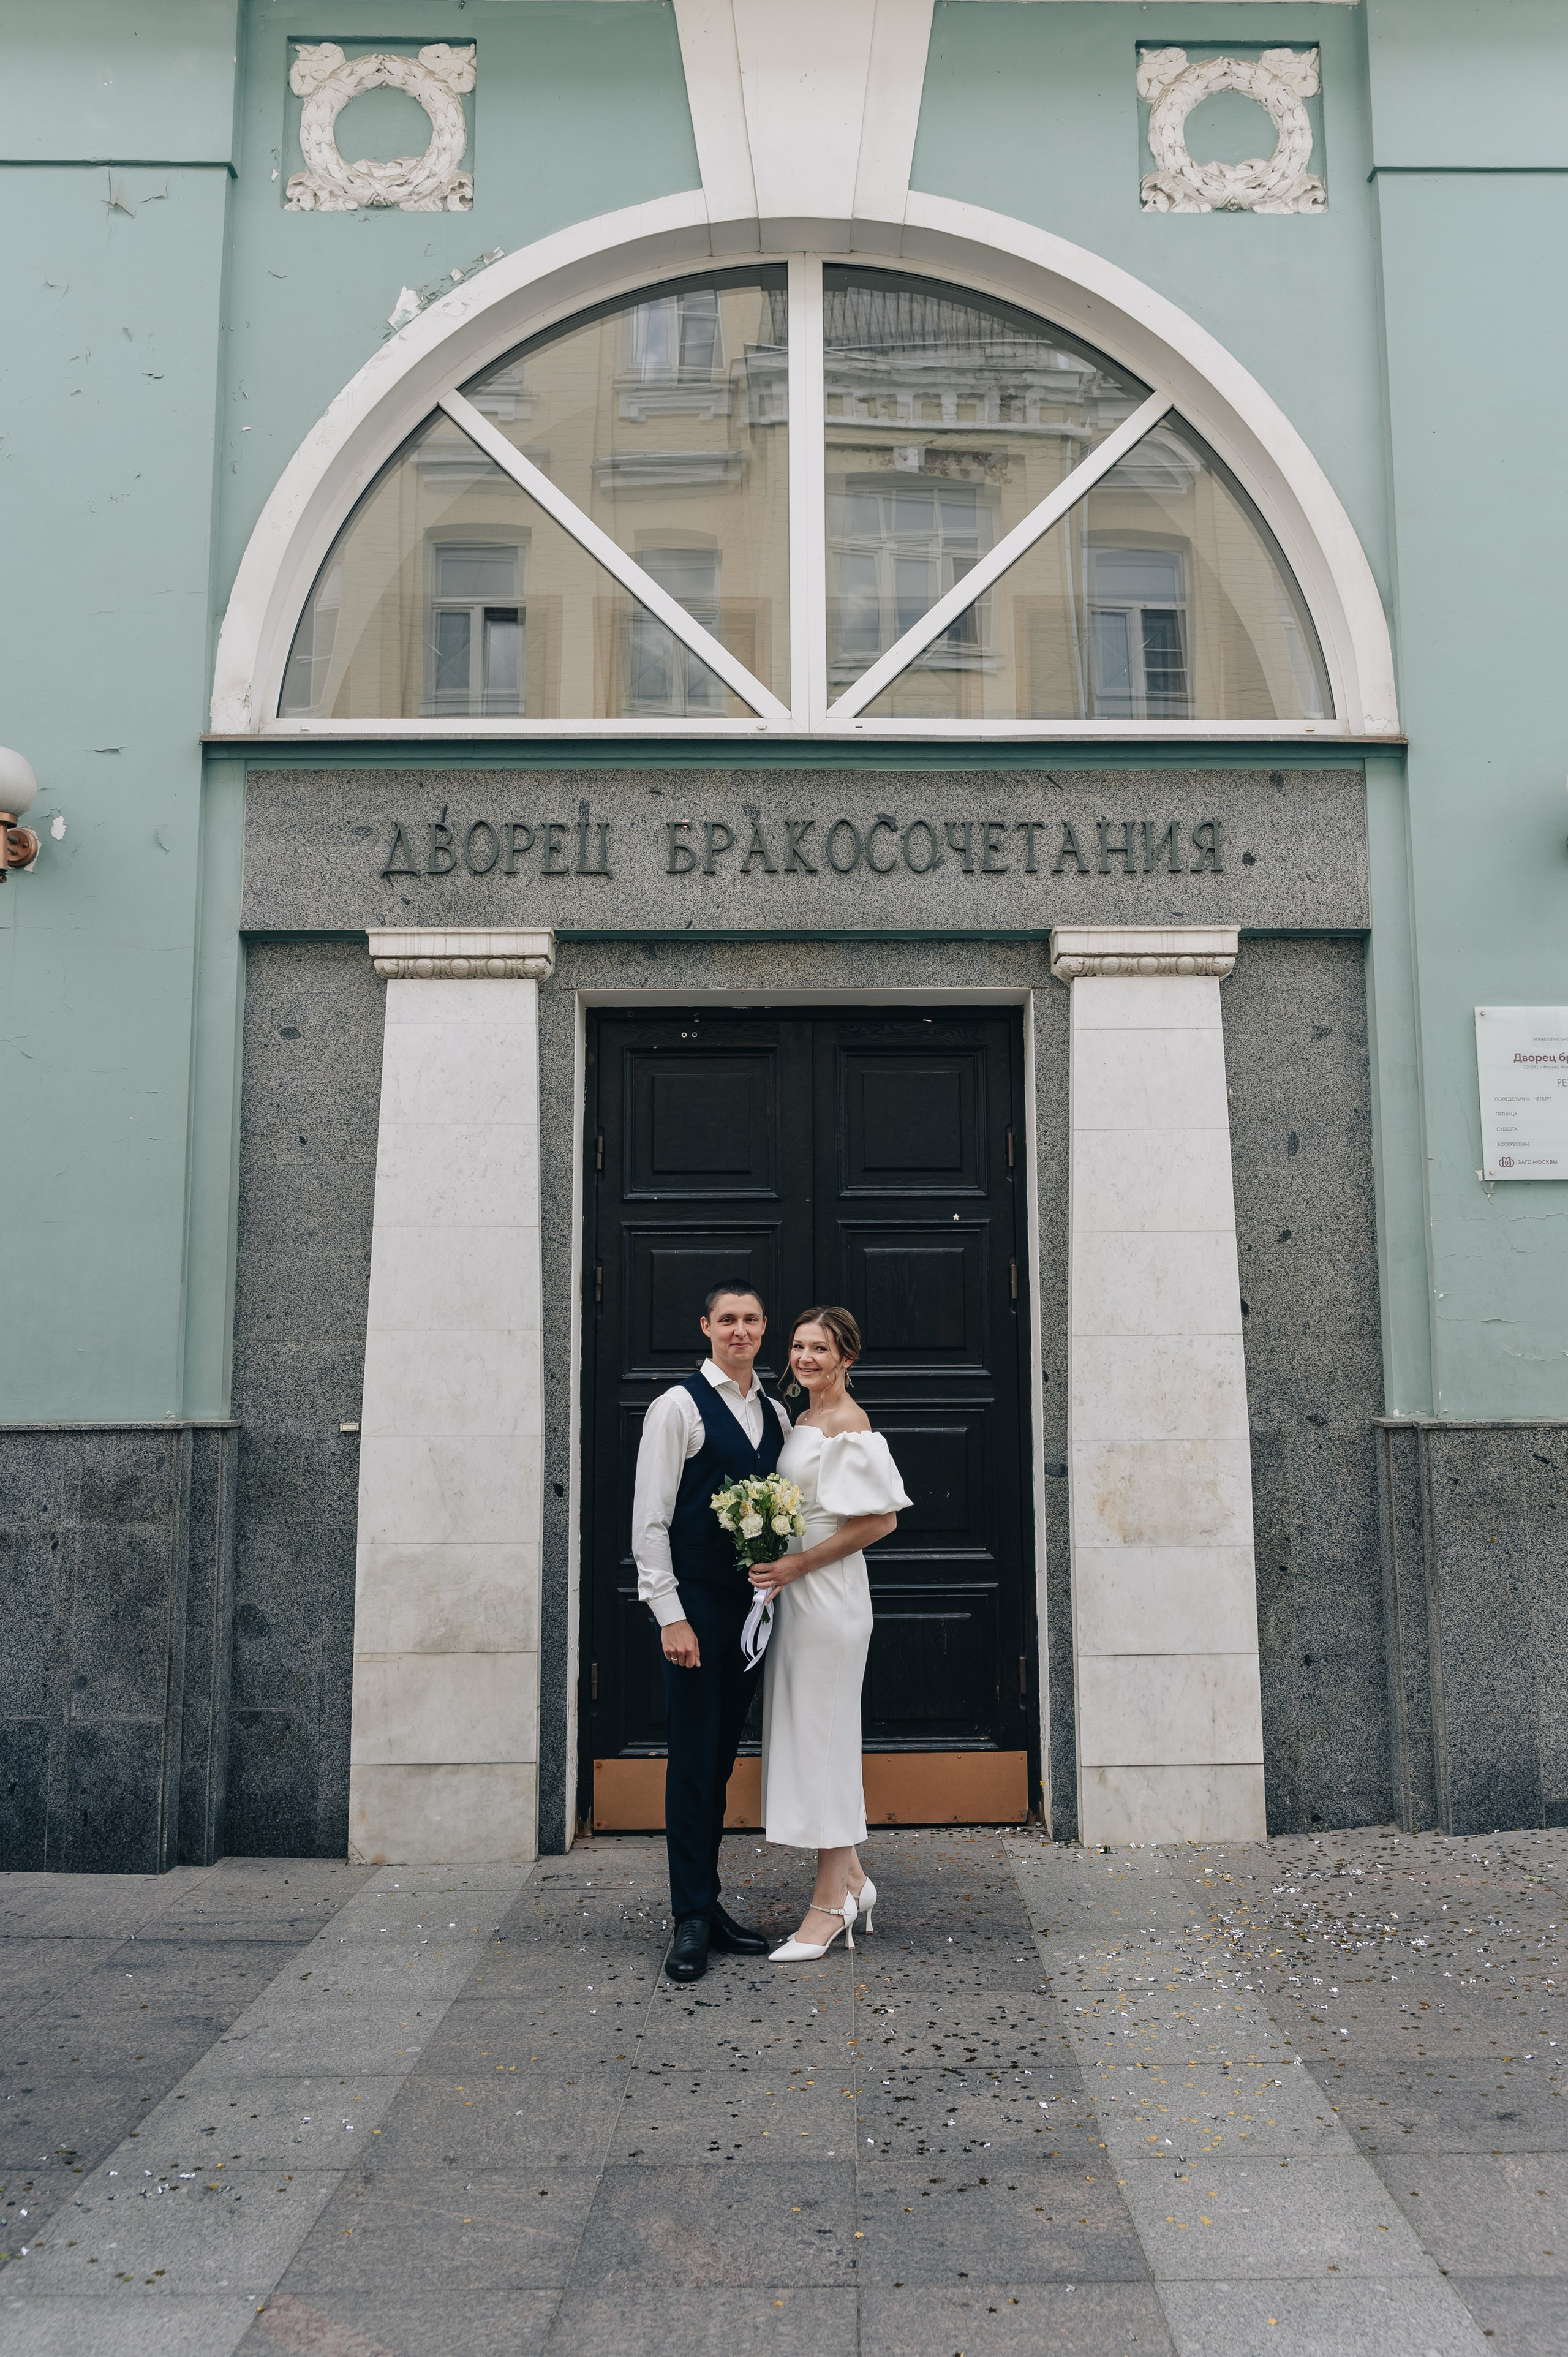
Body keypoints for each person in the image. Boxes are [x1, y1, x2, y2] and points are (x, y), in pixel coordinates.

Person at [630, 1283, 792, 1984]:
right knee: (694, 1762)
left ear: (764, 1329)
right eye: (727, 1319)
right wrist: (671, 1615)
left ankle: (709, 1903)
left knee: (722, 1757)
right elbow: (651, 1519)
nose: (740, 1330)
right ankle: (690, 1917)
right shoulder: (677, 1407)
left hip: (751, 1611)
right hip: (695, 1609)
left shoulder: (779, 1413)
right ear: (705, 1326)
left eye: (751, 1319)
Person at [752, 1306, 911, 1961]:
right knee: (812, 1738)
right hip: (797, 1598)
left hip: (830, 1597)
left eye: (820, 1347)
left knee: (824, 1743)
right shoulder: (802, 1420)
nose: (805, 1357)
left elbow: (879, 1523)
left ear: (847, 1356)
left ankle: (827, 1906)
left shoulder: (849, 1423)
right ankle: (851, 1879)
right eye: (797, 1346)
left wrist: (796, 1563)